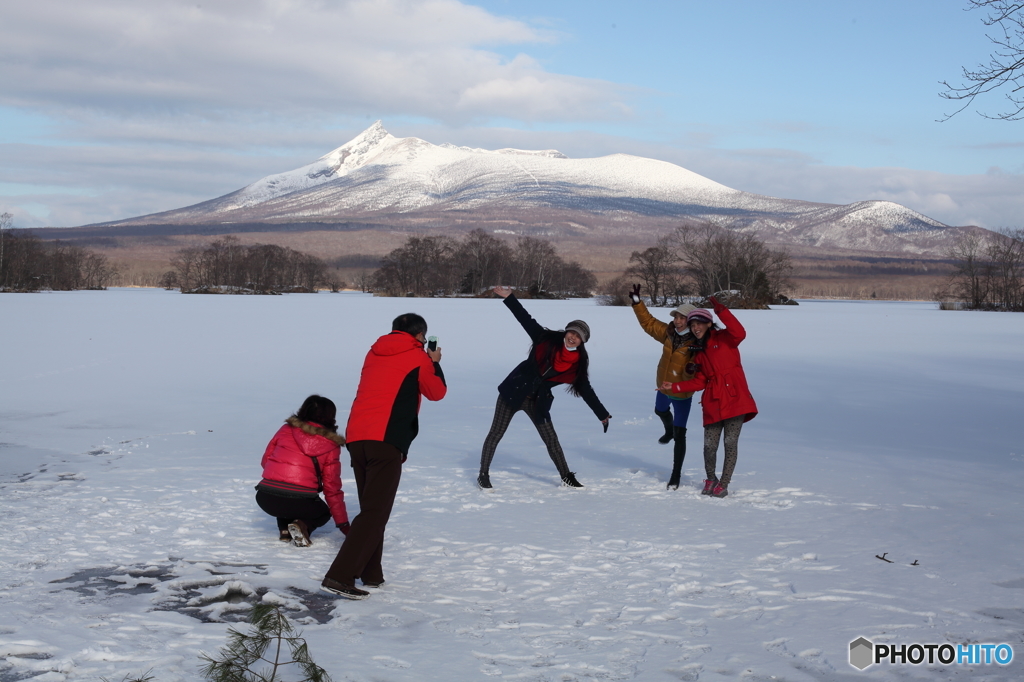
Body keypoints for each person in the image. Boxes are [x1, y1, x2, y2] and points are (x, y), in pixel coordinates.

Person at [321, 313, 447, 600]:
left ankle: (371, 573)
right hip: (386, 440)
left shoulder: (374, 352)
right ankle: (339, 576)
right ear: (419, 336)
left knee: (371, 508)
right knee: (375, 512)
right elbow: (436, 392)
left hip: (357, 437)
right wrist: (435, 364)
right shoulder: (419, 357)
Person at [477, 286, 611, 490]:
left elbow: (586, 391)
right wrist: (510, 298)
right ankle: (483, 474)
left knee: (551, 439)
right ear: (567, 331)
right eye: (572, 332)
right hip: (513, 392)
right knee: (496, 433)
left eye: (578, 336)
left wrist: (602, 414)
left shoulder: (577, 366)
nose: (573, 337)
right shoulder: (544, 339)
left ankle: (566, 476)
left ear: (582, 341)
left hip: (537, 400)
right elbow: (525, 319)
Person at [662, 297, 757, 498]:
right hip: (713, 401)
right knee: (709, 446)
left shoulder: (725, 338)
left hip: (735, 399)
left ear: (708, 323)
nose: (696, 328)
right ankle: (711, 479)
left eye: (699, 323)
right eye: (693, 325)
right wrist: (676, 385)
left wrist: (721, 310)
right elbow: (700, 381)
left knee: (730, 443)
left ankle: (724, 484)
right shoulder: (699, 352)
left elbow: (740, 332)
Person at [628, 284, 697, 490]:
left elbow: (701, 366)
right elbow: (648, 323)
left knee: (681, 433)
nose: (677, 320)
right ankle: (668, 431)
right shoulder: (668, 333)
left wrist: (693, 368)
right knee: (659, 410)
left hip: (683, 392)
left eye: (682, 318)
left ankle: (675, 474)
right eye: (676, 317)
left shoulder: (697, 341)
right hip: (663, 386)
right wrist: (637, 303)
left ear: (691, 320)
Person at [255, 395, 348, 547]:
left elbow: (266, 461)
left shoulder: (285, 429)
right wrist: (343, 524)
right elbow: (332, 488)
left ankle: (285, 529)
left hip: (265, 498)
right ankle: (302, 525)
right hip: (300, 502)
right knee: (323, 512)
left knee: (282, 493)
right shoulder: (331, 445)